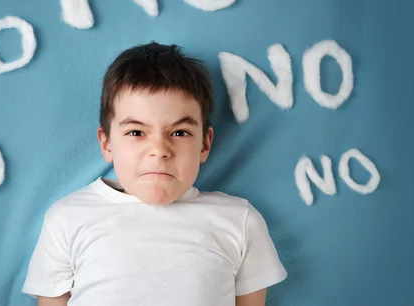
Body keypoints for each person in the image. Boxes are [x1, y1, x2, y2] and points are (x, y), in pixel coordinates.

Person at [22, 42, 287, 306]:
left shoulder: (240, 221)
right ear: (107, 144)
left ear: (204, 144)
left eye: (180, 133)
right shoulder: (67, 218)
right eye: (136, 133)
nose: (159, 150)